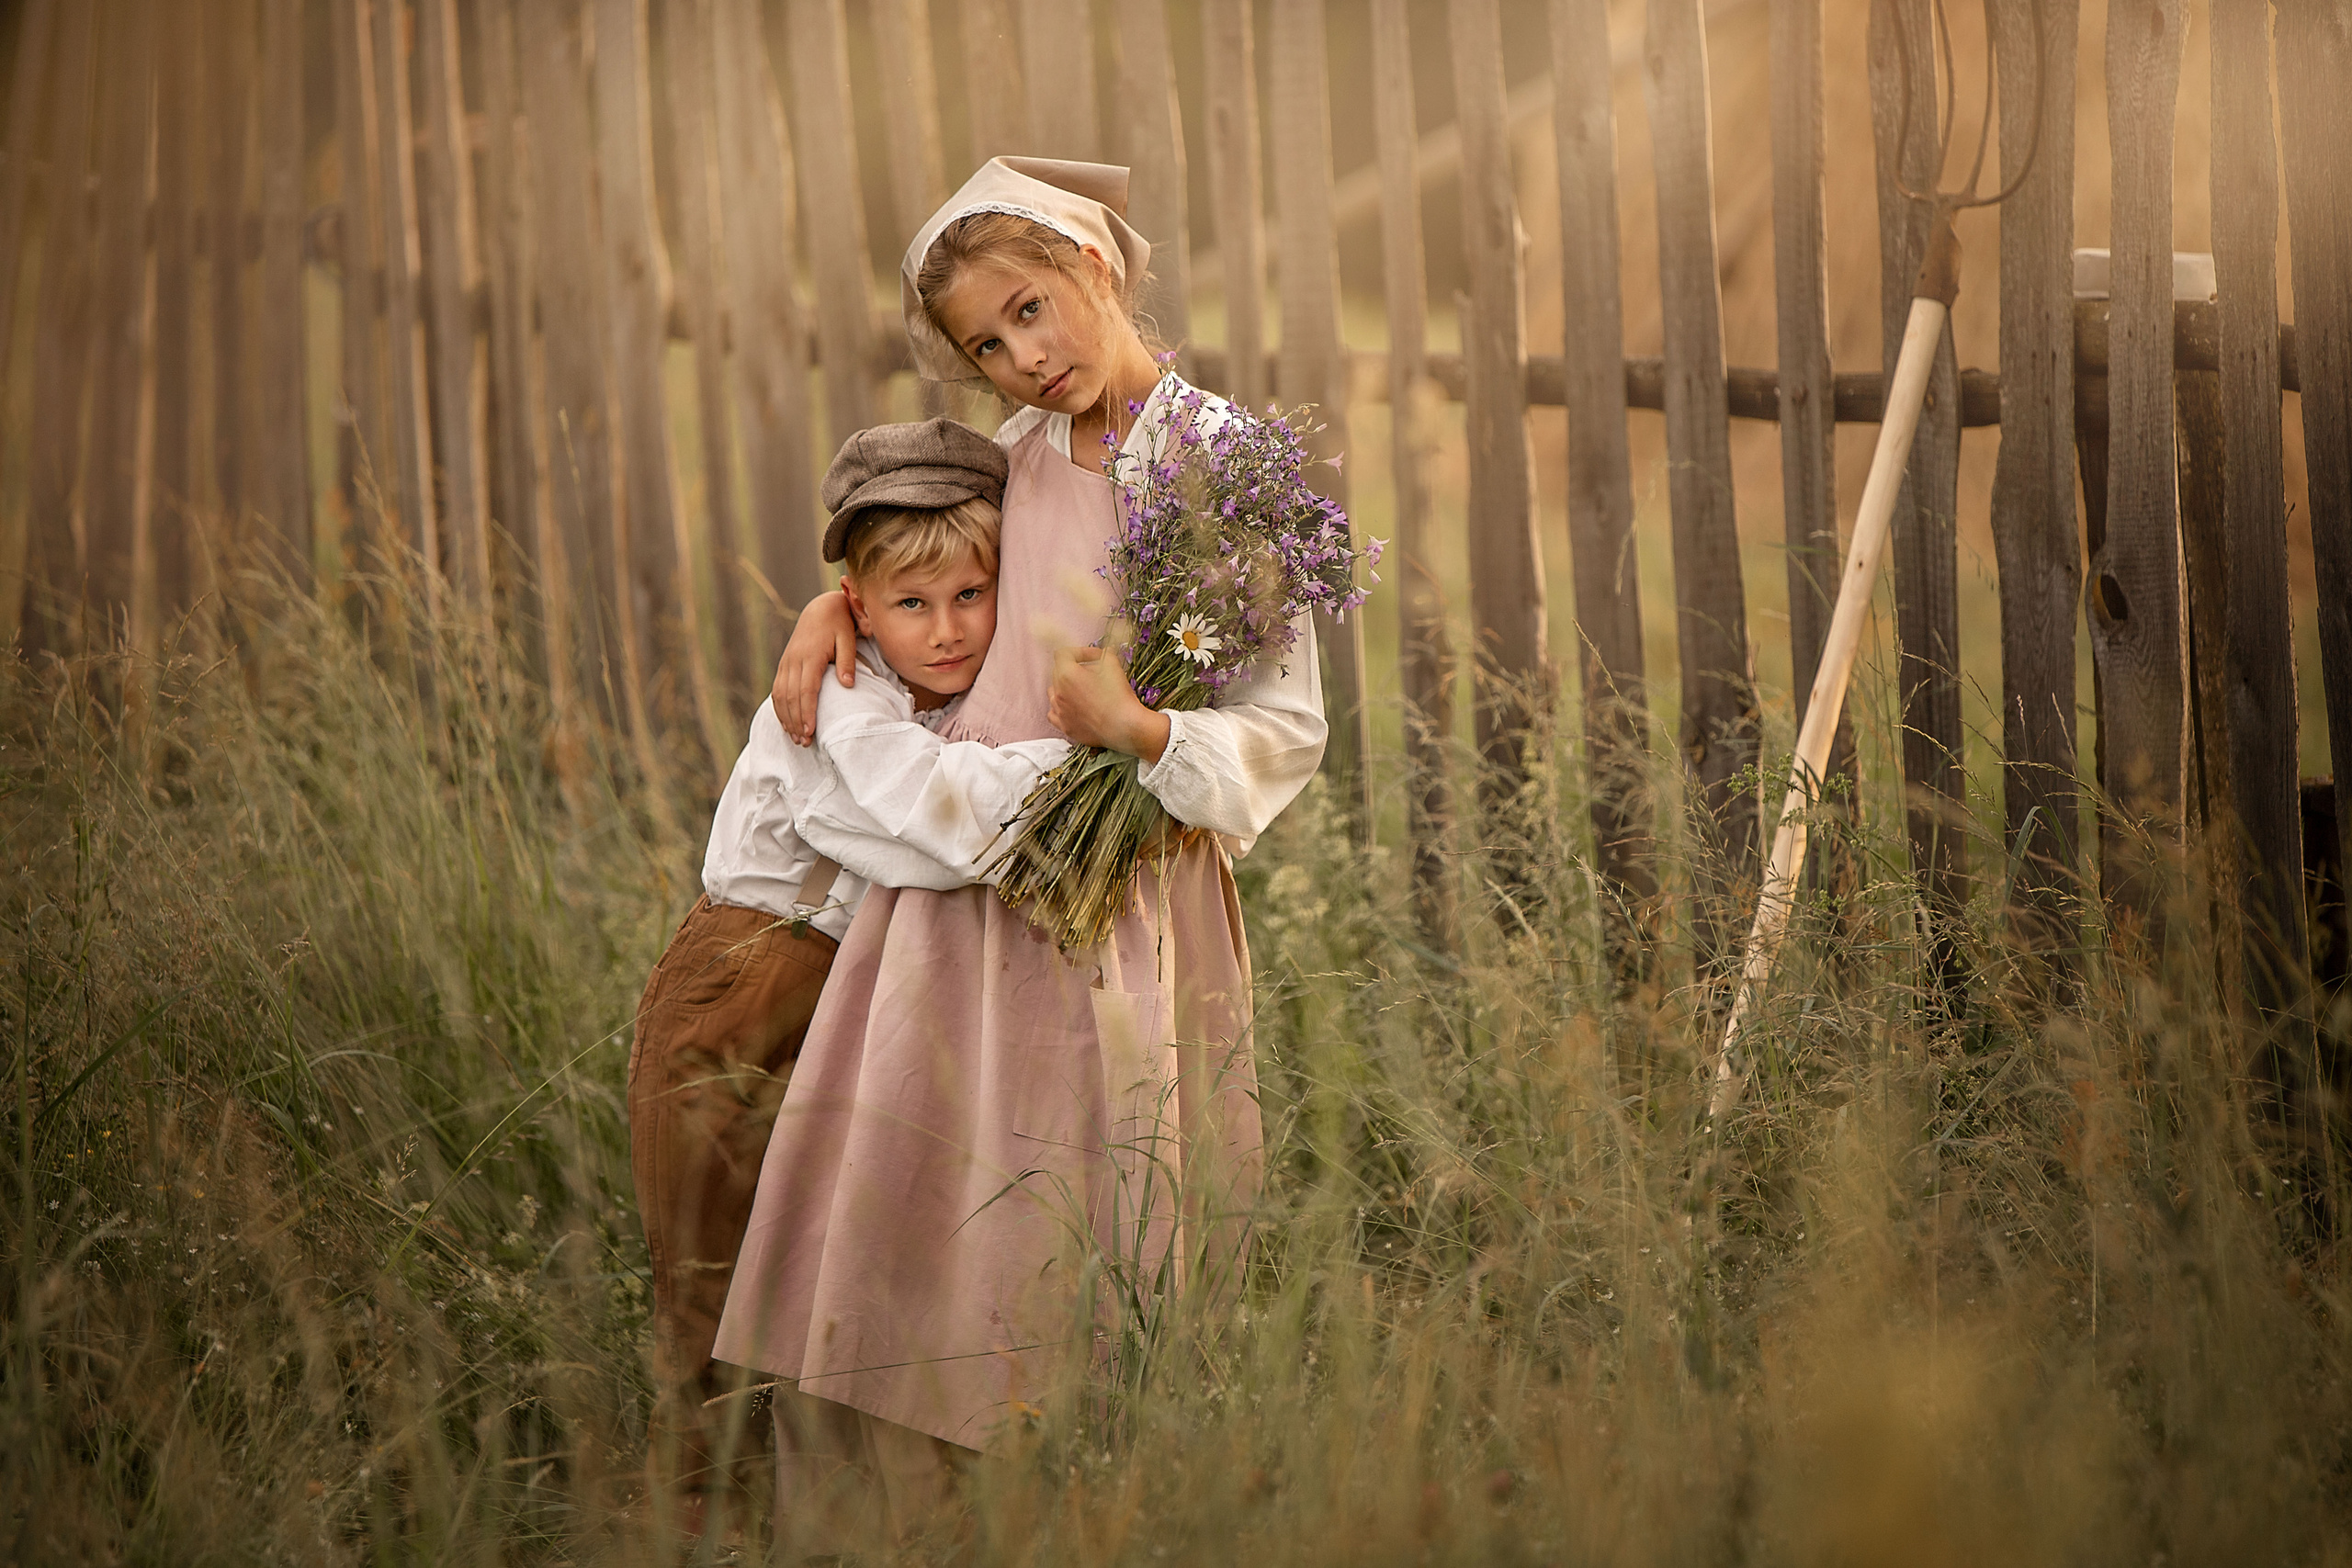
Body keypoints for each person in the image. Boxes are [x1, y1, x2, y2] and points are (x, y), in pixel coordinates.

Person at [712, 157, 1329, 1535]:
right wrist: (836, 610)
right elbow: (922, 571)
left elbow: (1285, 726)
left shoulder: (1217, 463)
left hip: (1122, 903)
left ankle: (1090, 1508)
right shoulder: (1020, 459)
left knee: (1083, 1217)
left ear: (1099, 267)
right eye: (987, 343)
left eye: (1035, 310)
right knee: (920, 1203)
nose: (1023, 357)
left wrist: (1145, 732)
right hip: (958, 901)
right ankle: (898, 1517)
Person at [627, 417, 1068, 1534]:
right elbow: (932, 837)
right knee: (711, 1285)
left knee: (823, 1267)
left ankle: (844, 1520)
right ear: (859, 606)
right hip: (739, 986)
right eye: (912, 606)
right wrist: (1093, 757)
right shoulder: (834, 697)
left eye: (973, 596)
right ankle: (702, 1525)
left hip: (847, 995)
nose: (950, 630)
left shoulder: (935, 682)